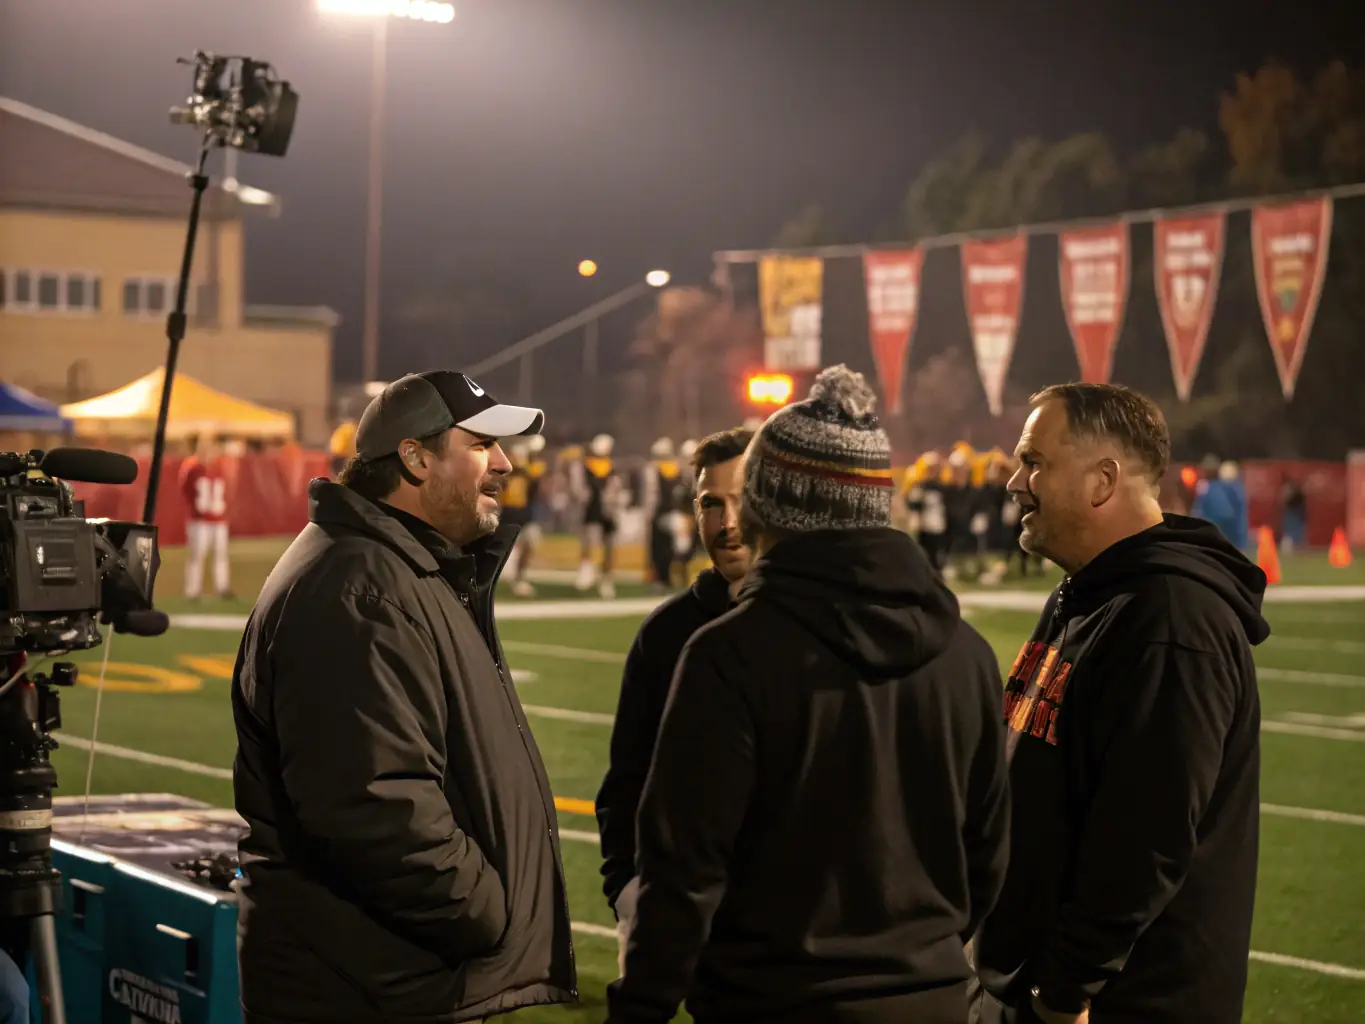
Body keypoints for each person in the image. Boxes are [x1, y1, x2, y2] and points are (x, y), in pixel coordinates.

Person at [607, 366, 1010, 1024]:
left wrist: (640, 1005)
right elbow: (988, 854)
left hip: (772, 1000)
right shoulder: (966, 655)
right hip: (929, 998)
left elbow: (684, 872)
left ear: (770, 503)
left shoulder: (731, 653)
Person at [231, 370, 577, 1023]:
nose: (504, 463)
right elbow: (373, 807)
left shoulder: (397, 567)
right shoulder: (359, 586)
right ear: (415, 457)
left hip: (385, 973)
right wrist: (482, 913)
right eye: (479, 445)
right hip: (365, 983)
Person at [970, 383, 1268, 1024]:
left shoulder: (1170, 618)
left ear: (1103, 480)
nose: (1015, 482)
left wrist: (1065, 989)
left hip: (1117, 1004)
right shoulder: (1084, 594)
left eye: (1035, 462)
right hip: (1032, 982)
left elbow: (1144, 841)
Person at [596, 426, 755, 977]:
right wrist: (626, 889)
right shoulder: (667, 633)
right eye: (713, 504)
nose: (728, 522)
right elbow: (627, 774)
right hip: (675, 907)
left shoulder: (816, 625)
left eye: (744, 500)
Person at [179, 434, 233, 600]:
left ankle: (223, 588)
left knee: (221, 555)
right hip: (199, 520)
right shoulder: (191, 467)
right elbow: (186, 491)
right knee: (197, 555)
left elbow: (226, 490)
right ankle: (192, 591)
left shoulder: (219, 466)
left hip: (218, 519)